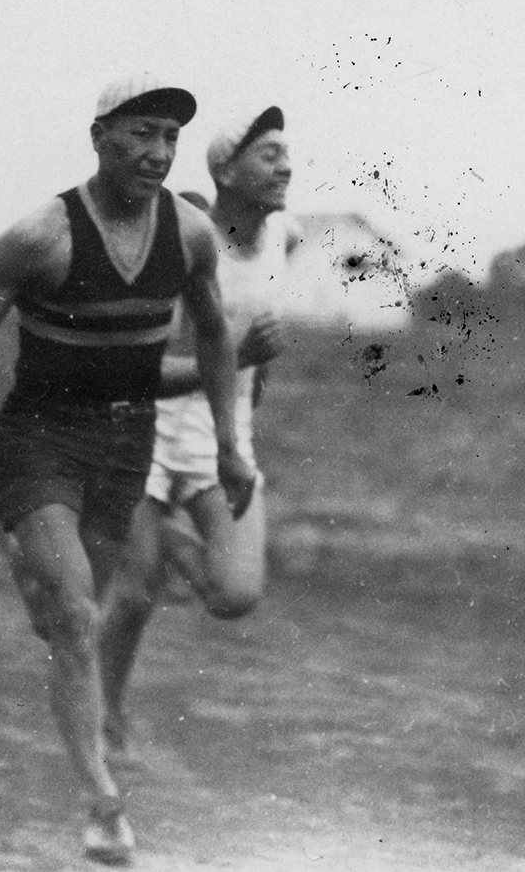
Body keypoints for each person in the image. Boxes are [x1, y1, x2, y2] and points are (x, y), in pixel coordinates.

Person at [0, 74, 255, 865]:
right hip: (41, 439)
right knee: (76, 619)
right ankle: (102, 804)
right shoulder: (40, 237)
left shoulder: (189, 235)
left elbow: (214, 336)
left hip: (128, 445)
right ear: (99, 137)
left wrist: (228, 440)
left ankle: (25, 552)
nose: (156, 153)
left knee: (72, 615)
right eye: (139, 133)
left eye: (169, 138)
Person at [98, 106, 302, 757]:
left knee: (236, 593)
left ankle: (163, 542)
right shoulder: (180, 242)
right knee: (132, 596)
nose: (285, 166)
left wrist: (245, 415)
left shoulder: (284, 240)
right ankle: (104, 714)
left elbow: (255, 360)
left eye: (285, 154)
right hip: (148, 431)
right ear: (224, 169)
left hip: (223, 438)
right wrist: (235, 358)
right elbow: (136, 368)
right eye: (268, 154)